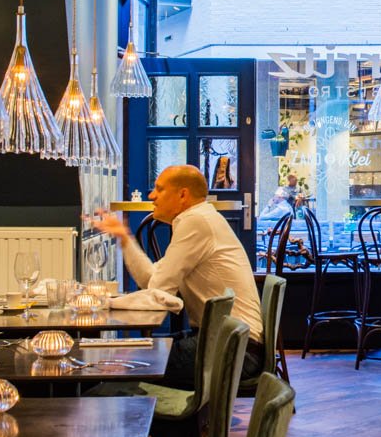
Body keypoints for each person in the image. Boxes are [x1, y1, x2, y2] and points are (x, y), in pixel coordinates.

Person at [91, 165, 264, 388]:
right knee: (125, 358)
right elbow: (152, 281)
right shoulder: (199, 218)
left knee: (120, 364)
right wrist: (124, 237)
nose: (151, 196)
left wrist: (104, 303)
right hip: (229, 342)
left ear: (183, 195)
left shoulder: (196, 221)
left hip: (233, 349)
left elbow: (158, 289)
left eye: (159, 189)